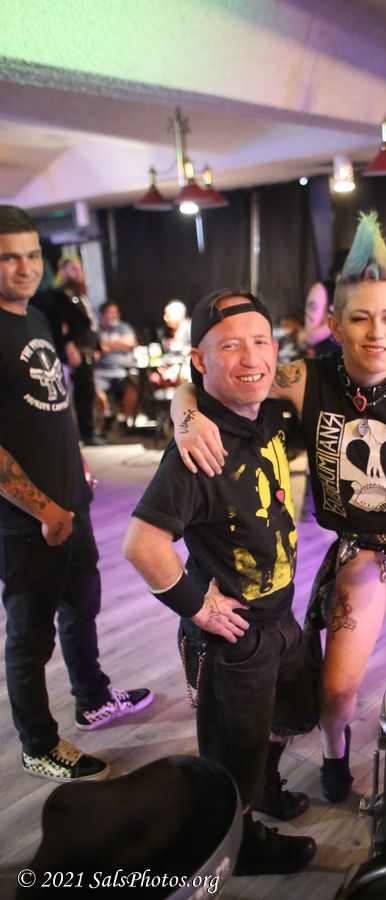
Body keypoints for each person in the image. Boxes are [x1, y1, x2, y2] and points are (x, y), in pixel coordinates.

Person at [170, 213, 386, 805]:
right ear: (334, 325)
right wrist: (186, 419)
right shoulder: (306, 378)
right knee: (336, 687)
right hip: (367, 542)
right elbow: (197, 382)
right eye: (360, 318)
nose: (376, 332)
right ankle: (336, 751)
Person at [122, 290, 318, 876]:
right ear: (200, 360)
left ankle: (266, 787)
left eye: (260, 341)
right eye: (230, 346)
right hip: (233, 637)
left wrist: (183, 402)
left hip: (280, 613)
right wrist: (199, 609)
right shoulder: (197, 451)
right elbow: (142, 544)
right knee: (233, 754)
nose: (251, 357)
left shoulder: (270, 408)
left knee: (286, 716)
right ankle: (242, 844)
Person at [0, 205, 153, 783]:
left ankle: (91, 697)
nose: (24, 268)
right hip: (25, 519)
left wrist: (78, 464)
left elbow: (53, 403)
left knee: (81, 606)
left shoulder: (37, 318)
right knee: (30, 635)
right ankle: (38, 744)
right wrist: (43, 509)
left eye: (31, 255)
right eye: (8, 257)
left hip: (71, 500)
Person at [35, 255, 104, 445]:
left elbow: (91, 326)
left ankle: (89, 431)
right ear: (63, 272)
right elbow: (59, 325)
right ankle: (84, 434)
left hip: (88, 350)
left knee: (87, 392)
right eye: (73, 269)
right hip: (74, 352)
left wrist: (97, 347)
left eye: (79, 269)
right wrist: (68, 345)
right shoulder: (60, 295)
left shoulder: (80, 295)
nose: (78, 273)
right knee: (79, 393)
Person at [94, 301, 139, 432]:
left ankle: (125, 420)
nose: (115, 315)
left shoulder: (124, 327)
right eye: (111, 312)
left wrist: (108, 345)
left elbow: (129, 344)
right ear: (102, 315)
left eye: (116, 312)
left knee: (133, 384)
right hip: (102, 371)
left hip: (123, 369)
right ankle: (107, 415)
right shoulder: (97, 330)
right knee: (93, 388)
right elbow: (99, 348)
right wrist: (120, 344)